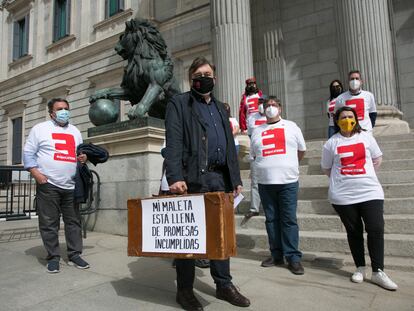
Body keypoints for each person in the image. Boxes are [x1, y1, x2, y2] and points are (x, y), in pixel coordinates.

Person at [165, 57, 250, 310]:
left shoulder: (221, 109)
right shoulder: (179, 103)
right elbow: (174, 142)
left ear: (215, 78)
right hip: (193, 179)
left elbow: (229, 147)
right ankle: (185, 290)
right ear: (192, 79)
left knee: (220, 235)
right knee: (189, 237)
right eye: (200, 74)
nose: (205, 77)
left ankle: (224, 284)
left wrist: (235, 179)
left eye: (209, 73)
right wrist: (175, 176)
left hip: (220, 179)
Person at [321, 106, 398, 291]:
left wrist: (362, 176)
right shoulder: (331, 143)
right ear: (336, 121)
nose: (346, 120)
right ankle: (360, 267)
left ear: (356, 119)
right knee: (354, 231)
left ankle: (378, 271)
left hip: (370, 191)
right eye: (342, 117)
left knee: (376, 228)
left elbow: (377, 159)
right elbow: (327, 169)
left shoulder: (366, 137)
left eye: (350, 116)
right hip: (343, 195)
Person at [23, 98, 89, 273]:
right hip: (49, 184)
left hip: (71, 185)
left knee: (74, 222)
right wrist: (36, 174)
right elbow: (28, 153)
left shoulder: (75, 131)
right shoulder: (40, 129)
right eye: (60, 109)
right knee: (49, 223)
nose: (64, 111)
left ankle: (75, 255)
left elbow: (78, 153)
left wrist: (83, 158)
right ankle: (53, 257)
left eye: (66, 108)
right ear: (51, 112)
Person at [250, 96, 306, 275]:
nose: (270, 108)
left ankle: (293, 258)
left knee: (288, 219)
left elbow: (301, 150)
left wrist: (286, 165)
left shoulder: (291, 126)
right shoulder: (257, 131)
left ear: (280, 108)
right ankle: (276, 255)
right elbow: (254, 155)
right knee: (271, 220)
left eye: (274, 105)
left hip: (287, 181)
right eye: (267, 105)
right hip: (266, 182)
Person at [241, 95, 267, 225]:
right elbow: (251, 137)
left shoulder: (271, 117)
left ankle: (268, 207)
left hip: (270, 154)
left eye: (264, 102)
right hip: (256, 155)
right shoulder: (251, 118)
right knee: (255, 183)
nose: (261, 105)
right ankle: (254, 208)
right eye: (260, 102)